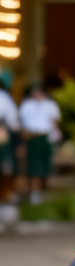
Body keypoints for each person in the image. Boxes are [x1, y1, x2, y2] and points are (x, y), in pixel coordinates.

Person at [18, 82, 62, 200]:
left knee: (46, 164)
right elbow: (21, 123)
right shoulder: (27, 105)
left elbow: (56, 121)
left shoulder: (50, 105)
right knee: (34, 166)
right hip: (32, 137)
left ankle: (44, 191)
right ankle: (34, 192)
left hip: (46, 137)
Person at [0, 74, 18, 204]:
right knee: (5, 167)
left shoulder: (5, 98)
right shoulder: (6, 98)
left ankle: (5, 194)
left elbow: (12, 122)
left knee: (5, 166)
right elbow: (14, 123)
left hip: (2, 132)